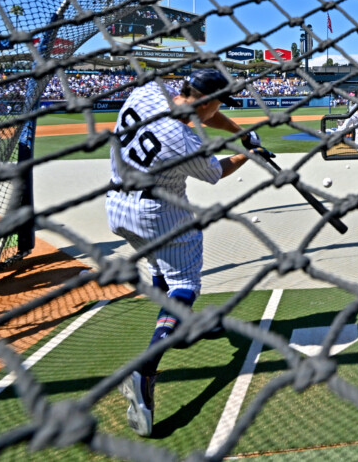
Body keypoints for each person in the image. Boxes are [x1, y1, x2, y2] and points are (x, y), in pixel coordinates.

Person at [107, 68, 271, 437]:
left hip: (117, 206)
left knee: (162, 265)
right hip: (159, 213)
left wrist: (238, 132)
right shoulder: (185, 140)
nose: (218, 112)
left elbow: (203, 111)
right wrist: (250, 154)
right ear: (208, 101)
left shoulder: (148, 92)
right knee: (185, 286)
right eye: (218, 105)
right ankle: (146, 370)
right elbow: (216, 173)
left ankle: (182, 321)